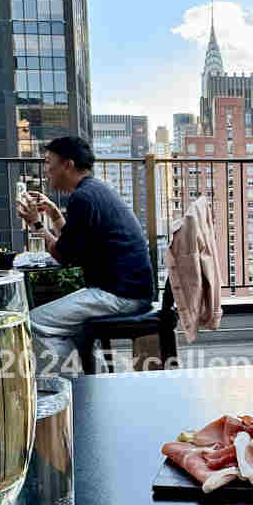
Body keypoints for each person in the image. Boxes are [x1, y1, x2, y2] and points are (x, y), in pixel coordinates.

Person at [16, 136, 153, 375]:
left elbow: (64, 256)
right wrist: (55, 213)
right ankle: (92, 377)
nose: (46, 170)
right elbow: (75, 246)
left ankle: (70, 385)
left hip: (119, 296)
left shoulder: (83, 198)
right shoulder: (94, 190)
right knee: (67, 326)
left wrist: (36, 224)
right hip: (129, 291)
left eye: (49, 162)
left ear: (67, 164)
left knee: (33, 323)